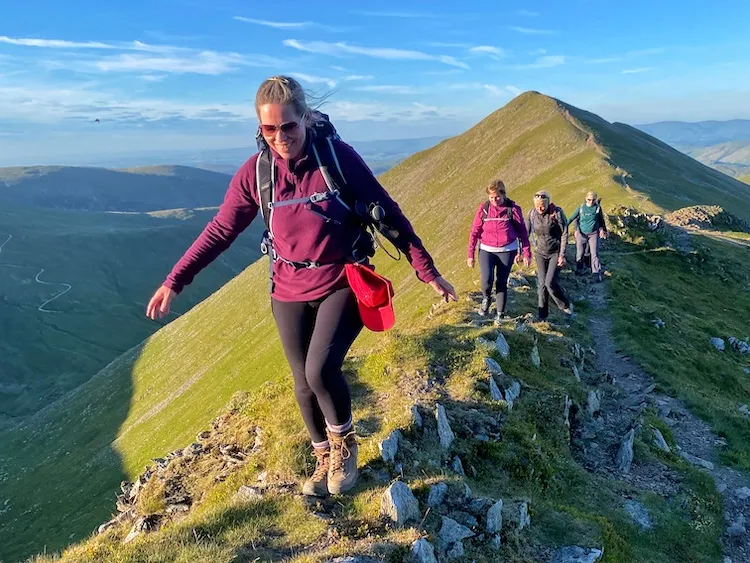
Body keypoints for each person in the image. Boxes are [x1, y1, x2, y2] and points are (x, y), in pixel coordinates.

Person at [145, 75, 457, 498]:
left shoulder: (337, 158)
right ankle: (322, 454)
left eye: (288, 126)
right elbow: (220, 230)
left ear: (306, 118)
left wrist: (428, 270)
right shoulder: (256, 173)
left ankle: (345, 445)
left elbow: (390, 215)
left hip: (341, 279)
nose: (280, 137)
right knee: (302, 382)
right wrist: (174, 280)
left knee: (320, 368)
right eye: (268, 129)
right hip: (287, 286)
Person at [467, 178, 531, 322]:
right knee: (486, 280)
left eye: (497, 197)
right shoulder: (484, 209)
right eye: (491, 197)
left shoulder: (513, 210)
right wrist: (470, 254)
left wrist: (526, 253)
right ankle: (486, 298)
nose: (495, 200)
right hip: (486, 249)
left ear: (503, 195)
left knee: (501, 282)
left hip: (507, 250)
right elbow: (474, 232)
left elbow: (522, 233)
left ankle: (500, 314)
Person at [526, 190, 573, 321]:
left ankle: (565, 305)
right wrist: (523, 252)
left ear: (547, 204)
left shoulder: (556, 213)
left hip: (555, 253)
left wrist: (562, 255)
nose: (540, 209)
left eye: (542, 206)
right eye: (537, 206)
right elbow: (525, 234)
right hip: (540, 253)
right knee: (541, 285)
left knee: (549, 282)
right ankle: (542, 316)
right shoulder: (531, 215)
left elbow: (564, 233)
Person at [567, 191, 608, 282]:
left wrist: (603, 230)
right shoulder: (581, 208)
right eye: (589, 200)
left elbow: (601, 220)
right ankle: (579, 270)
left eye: (593, 200)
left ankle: (596, 273)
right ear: (586, 199)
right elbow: (572, 218)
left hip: (593, 234)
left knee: (594, 254)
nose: (591, 202)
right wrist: (565, 227)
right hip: (581, 234)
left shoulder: (597, 208)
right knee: (580, 253)